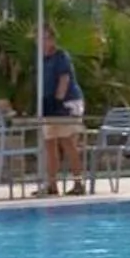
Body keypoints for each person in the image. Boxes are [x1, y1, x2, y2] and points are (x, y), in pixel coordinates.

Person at [37, 26, 86, 196]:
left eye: (44, 38)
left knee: (67, 142)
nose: (41, 41)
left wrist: (57, 102)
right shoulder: (40, 59)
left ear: (52, 39)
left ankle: (78, 182)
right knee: (49, 143)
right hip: (49, 103)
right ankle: (52, 184)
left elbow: (64, 79)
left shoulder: (61, 56)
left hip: (66, 103)